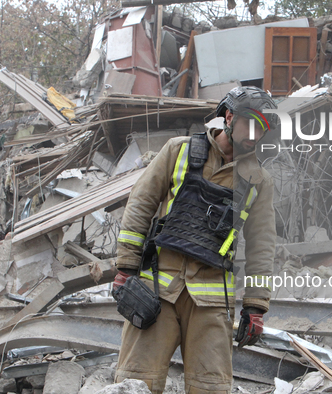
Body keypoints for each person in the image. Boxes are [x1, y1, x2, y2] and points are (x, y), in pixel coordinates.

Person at [112, 86, 277, 393]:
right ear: (229, 116)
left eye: (263, 127)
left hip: (212, 303)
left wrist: (256, 306)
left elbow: (262, 247)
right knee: (135, 382)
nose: (256, 134)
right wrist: (126, 265)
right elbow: (140, 204)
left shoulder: (258, 181)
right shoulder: (179, 151)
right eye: (251, 123)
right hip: (156, 291)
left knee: (211, 388)